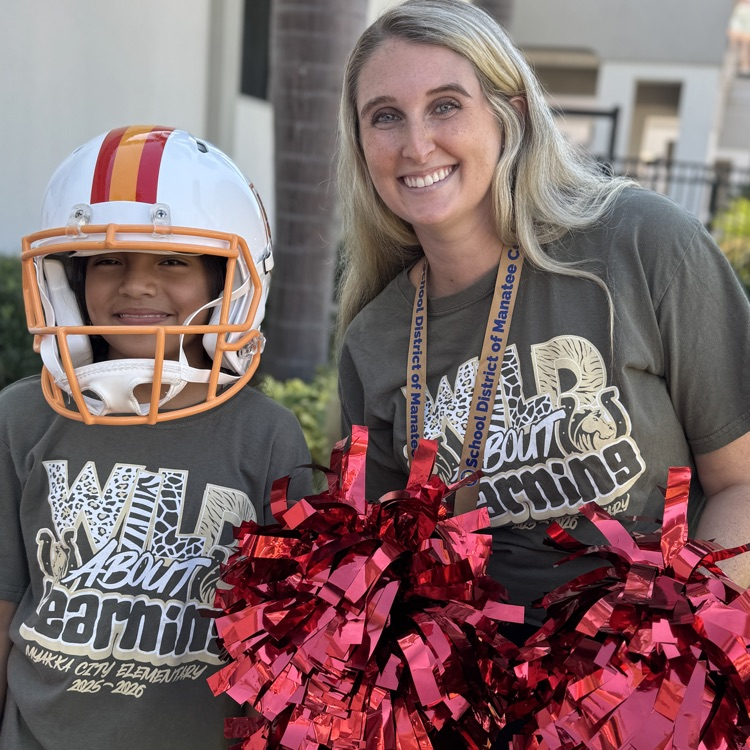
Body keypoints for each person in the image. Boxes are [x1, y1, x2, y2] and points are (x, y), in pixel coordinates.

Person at [335, 0, 750, 635]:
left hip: (643, 701)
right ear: (362, 145)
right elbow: (385, 572)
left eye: (446, 105)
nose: (417, 145)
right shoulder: (374, 338)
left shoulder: (641, 245)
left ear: (513, 112)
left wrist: (663, 660)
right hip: (461, 710)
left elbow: (742, 483)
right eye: (385, 117)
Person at [0, 125, 311, 749]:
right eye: (109, 259)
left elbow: (288, 648)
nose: (137, 285)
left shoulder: (266, 436)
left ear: (227, 284)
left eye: (172, 260)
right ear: (68, 279)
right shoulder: (22, 415)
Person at [729, 0, 750, 76]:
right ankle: (743, 65)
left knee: (745, 46)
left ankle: (744, 65)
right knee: (741, 46)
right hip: (740, 26)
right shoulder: (739, 8)